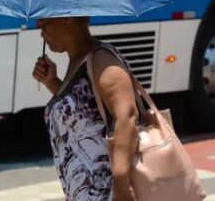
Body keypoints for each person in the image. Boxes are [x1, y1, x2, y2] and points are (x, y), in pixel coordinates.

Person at [32, 17, 139, 201]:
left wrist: (121, 184)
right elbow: (83, 115)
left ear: (66, 19)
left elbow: (127, 116)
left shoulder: (102, 59)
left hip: (107, 192)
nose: (41, 32)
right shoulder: (78, 60)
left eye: (44, 23)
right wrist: (52, 82)